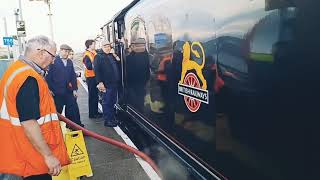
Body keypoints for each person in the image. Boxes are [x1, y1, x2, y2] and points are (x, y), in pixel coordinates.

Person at [0, 35, 69, 180]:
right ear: (41, 52)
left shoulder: (15, 69)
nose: (53, 60)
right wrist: (49, 156)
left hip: (18, 148)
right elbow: (28, 122)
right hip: (32, 155)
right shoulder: (28, 77)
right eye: (52, 56)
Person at [46, 44, 83, 127]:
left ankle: (75, 127)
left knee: (73, 109)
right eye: (65, 51)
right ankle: (54, 128)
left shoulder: (69, 62)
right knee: (57, 112)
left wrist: (74, 89)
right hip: (56, 91)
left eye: (68, 52)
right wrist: (49, 89)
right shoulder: (53, 61)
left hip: (68, 91)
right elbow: (48, 76)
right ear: (61, 50)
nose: (67, 53)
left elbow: (73, 76)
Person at [94, 40, 120, 127]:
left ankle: (112, 118)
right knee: (107, 102)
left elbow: (119, 61)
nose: (107, 48)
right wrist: (100, 82)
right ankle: (108, 120)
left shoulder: (111, 55)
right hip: (106, 84)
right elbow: (97, 71)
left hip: (113, 83)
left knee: (112, 101)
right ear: (102, 47)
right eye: (105, 46)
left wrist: (115, 54)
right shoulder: (98, 57)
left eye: (109, 46)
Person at [126, 38, 150, 110]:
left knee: (137, 99)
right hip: (142, 81)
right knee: (140, 98)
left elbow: (128, 70)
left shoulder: (130, 57)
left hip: (134, 82)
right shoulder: (147, 56)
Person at [83, 40, 102, 118]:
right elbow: (89, 66)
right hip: (90, 78)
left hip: (94, 77)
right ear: (90, 45)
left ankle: (95, 112)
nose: (95, 45)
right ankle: (92, 114)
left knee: (95, 95)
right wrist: (97, 65)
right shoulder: (87, 55)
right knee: (92, 96)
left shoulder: (93, 52)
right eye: (94, 44)